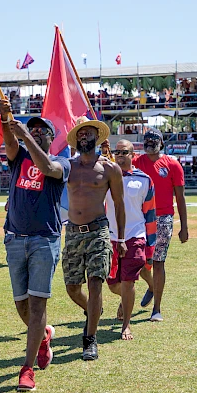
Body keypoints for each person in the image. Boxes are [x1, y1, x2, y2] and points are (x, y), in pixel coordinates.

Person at [0, 97, 71, 392]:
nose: (37, 132)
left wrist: (25, 135)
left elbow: (46, 165)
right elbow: (10, 142)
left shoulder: (61, 163)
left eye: (43, 131)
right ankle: (42, 337)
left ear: (52, 139)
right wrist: (6, 120)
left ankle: (27, 369)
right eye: (33, 129)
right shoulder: (19, 157)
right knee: (22, 305)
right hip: (15, 237)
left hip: (44, 239)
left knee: (38, 303)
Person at [63, 116, 126, 361]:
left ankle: (90, 340)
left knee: (96, 282)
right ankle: (93, 309)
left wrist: (120, 240)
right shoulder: (69, 166)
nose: (83, 136)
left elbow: (119, 205)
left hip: (98, 231)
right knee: (72, 288)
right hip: (72, 232)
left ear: (97, 137)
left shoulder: (109, 168)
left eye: (87, 133)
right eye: (79, 134)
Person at [133, 129, 188, 322]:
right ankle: (150, 286)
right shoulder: (136, 162)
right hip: (139, 218)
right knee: (137, 261)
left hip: (163, 218)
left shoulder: (172, 164)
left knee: (158, 262)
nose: (150, 142)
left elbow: (180, 198)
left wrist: (184, 227)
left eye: (154, 140)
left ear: (161, 143)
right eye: (147, 139)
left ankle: (156, 308)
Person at [105, 140, 156, 340]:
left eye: (124, 152)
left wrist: (150, 245)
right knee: (112, 284)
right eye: (116, 152)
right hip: (111, 237)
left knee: (128, 281)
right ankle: (126, 300)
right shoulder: (106, 178)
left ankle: (126, 325)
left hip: (135, 235)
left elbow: (150, 214)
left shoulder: (144, 180)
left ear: (133, 154)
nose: (119, 155)